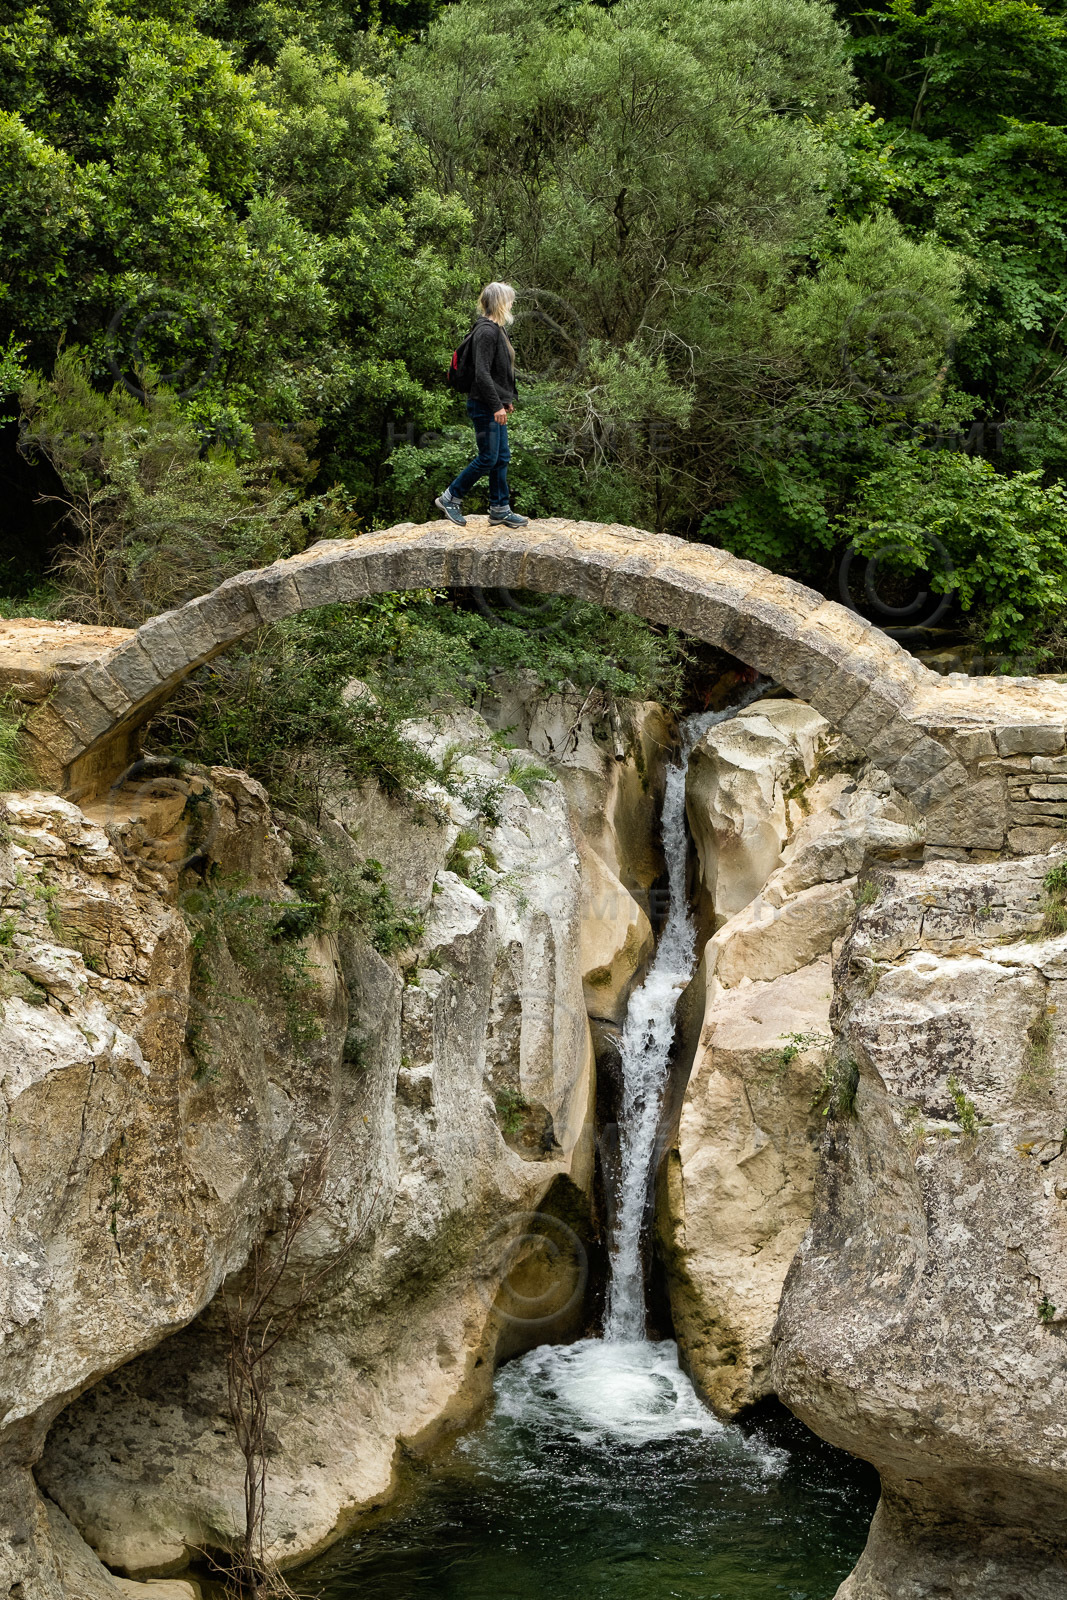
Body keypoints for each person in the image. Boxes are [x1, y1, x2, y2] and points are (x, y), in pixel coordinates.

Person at [435, 282, 530, 529]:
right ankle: (450, 498)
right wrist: (496, 405)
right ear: (500, 302)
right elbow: (482, 374)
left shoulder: (497, 330)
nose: (512, 304)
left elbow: (500, 371)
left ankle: (500, 509)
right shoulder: (486, 332)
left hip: (492, 404)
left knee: (502, 457)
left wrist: (505, 400)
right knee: (488, 457)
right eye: (509, 300)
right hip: (483, 405)